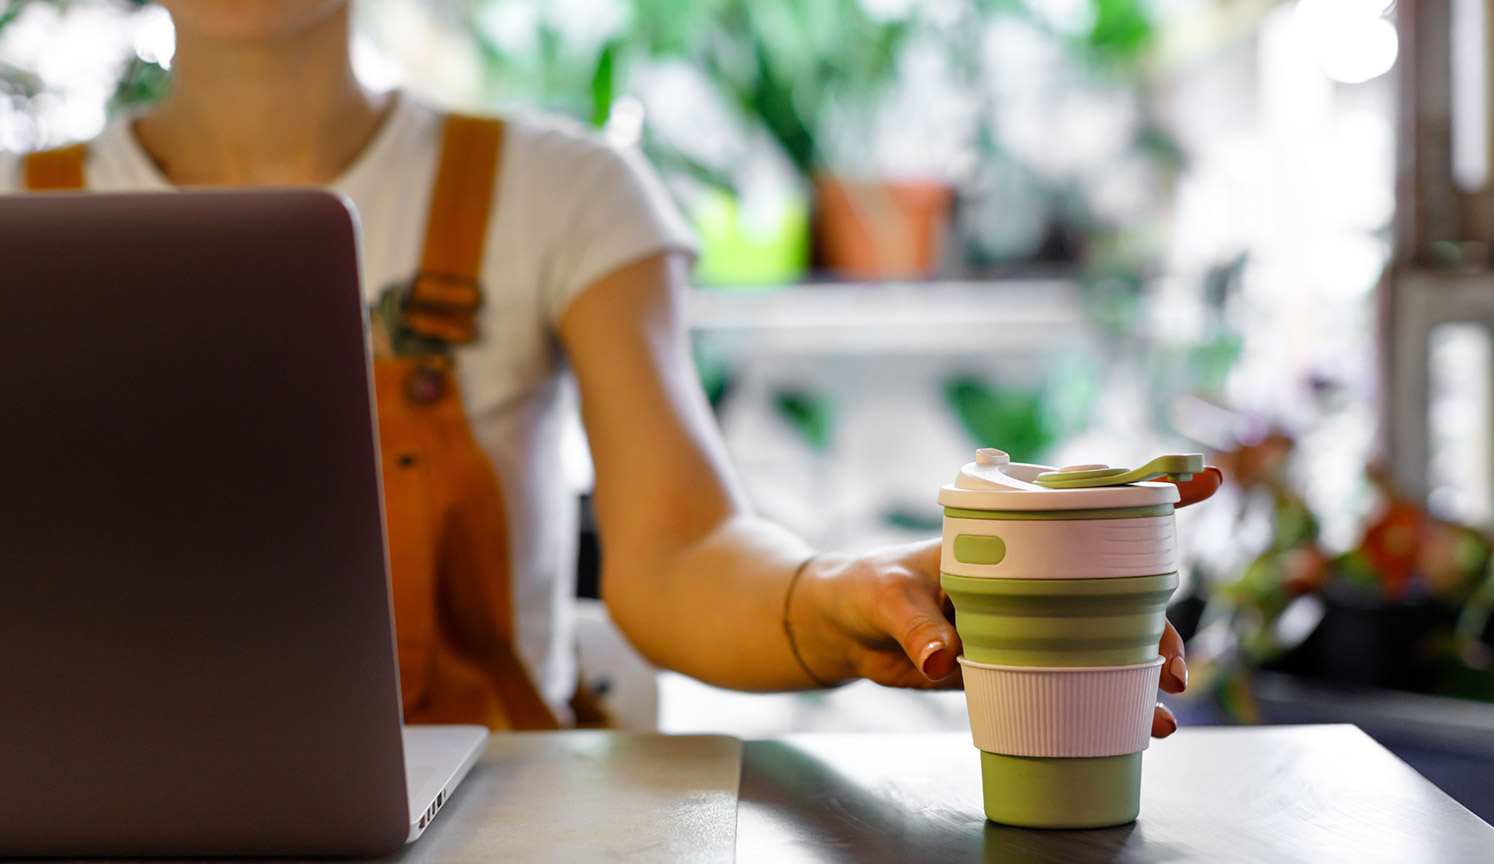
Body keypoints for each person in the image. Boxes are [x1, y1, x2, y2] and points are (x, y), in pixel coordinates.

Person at [5, 0, 1186, 734]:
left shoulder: (559, 193)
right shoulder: (20, 213)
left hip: (496, 818)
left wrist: (830, 596)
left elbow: (677, 547)